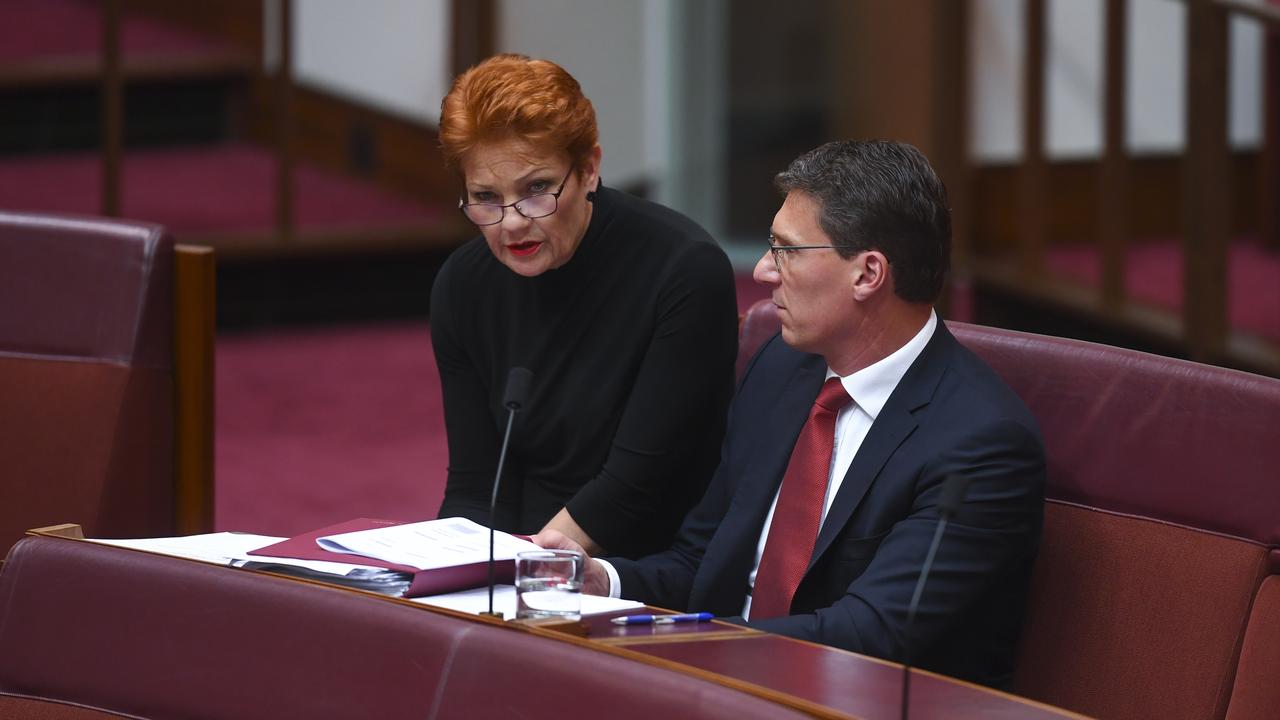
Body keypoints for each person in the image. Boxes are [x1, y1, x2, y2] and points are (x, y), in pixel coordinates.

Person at [536, 140, 1046, 688]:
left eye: (785, 249)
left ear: (867, 273)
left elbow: (869, 636)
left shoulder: (981, 443)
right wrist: (602, 581)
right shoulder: (782, 368)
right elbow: (703, 559)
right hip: (721, 685)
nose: (761, 271)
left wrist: (659, 643)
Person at [431, 54, 738, 560]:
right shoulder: (463, 285)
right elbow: (475, 484)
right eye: (485, 197)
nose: (511, 223)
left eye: (535, 190)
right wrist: (451, 578)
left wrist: (524, 574)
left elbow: (636, 489)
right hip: (527, 561)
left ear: (589, 169)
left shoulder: (682, 270)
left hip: (645, 567)